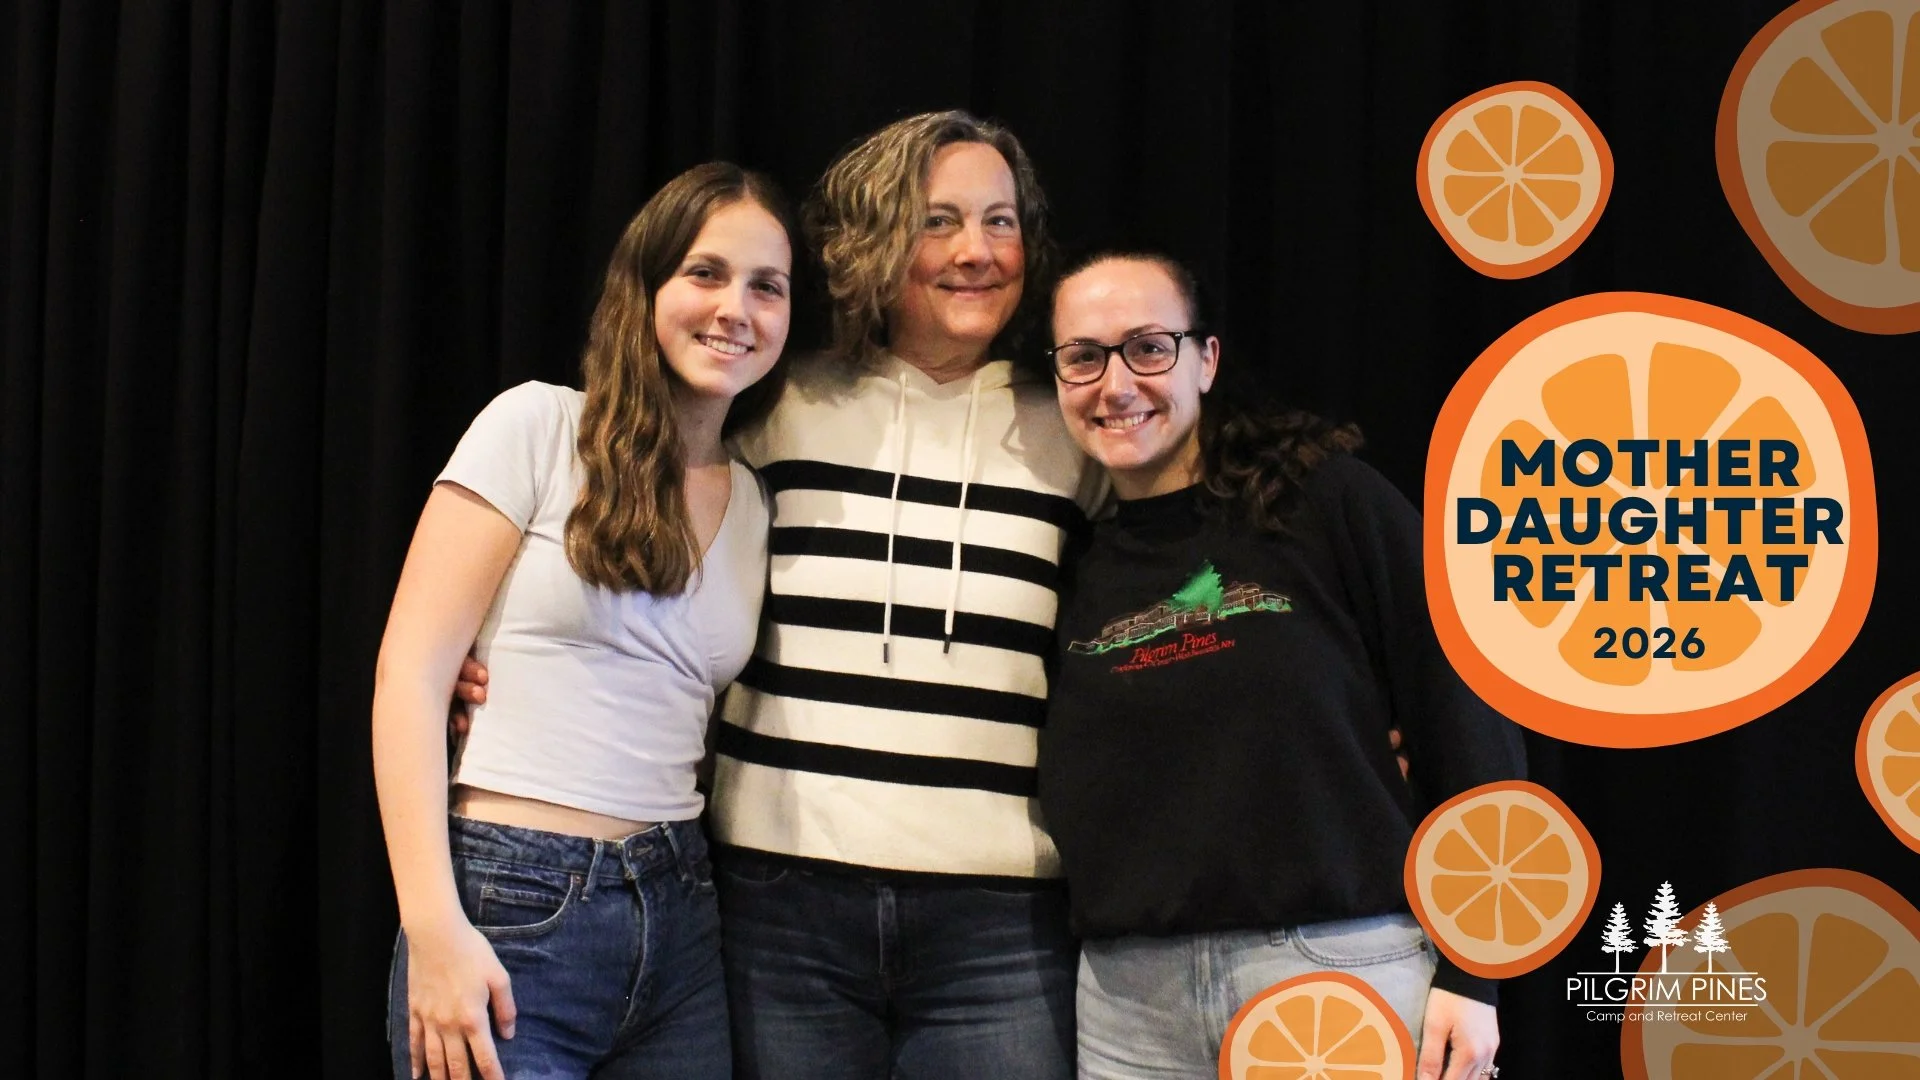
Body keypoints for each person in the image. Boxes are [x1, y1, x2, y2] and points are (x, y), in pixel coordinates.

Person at [1039, 252, 1525, 1080]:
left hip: (1336, 972)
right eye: (1083, 357)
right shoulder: (1073, 562)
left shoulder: (1324, 505)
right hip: (1128, 1005)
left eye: (1148, 347)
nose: (1115, 385)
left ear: (1206, 359)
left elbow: (1464, 713)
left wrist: (1477, 971)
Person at [372, 161, 797, 1080]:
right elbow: (409, 675)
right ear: (645, 286)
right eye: (706, 272)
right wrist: (433, 926)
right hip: (511, 899)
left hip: (682, 911)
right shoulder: (537, 426)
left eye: (768, 286)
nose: (737, 308)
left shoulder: (756, 501)